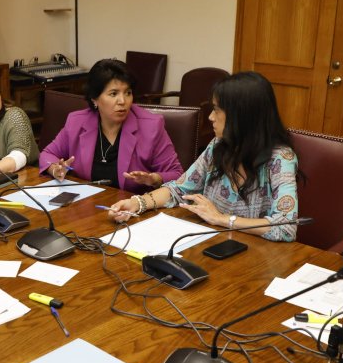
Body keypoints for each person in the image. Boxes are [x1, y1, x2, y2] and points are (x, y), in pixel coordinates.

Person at [109, 71, 299, 242]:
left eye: (216, 109)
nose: (210, 117)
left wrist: (222, 219)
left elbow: (285, 227)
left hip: (256, 258)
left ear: (241, 115)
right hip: (210, 244)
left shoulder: (281, 159)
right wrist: (137, 203)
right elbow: (179, 189)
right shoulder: (218, 146)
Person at [40, 58, 183, 193]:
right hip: (85, 207)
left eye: (128, 93)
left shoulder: (151, 126)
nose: (123, 101)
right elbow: (47, 154)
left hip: (132, 209)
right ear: (94, 99)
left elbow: (177, 174)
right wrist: (55, 169)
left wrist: (155, 179)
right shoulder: (76, 122)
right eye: (113, 94)